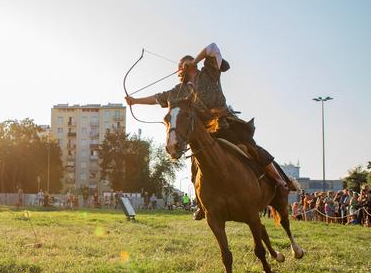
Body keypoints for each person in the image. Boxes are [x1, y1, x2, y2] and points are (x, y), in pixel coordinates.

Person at [125, 42, 292, 220]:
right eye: (179, 69)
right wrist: (135, 101)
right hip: (204, 132)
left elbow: (212, 47)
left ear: (191, 65)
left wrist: (195, 59)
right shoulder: (178, 91)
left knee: (252, 148)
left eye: (183, 66)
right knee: (195, 168)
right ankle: (202, 204)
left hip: (226, 124)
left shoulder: (209, 72)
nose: (180, 71)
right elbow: (159, 98)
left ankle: (279, 180)